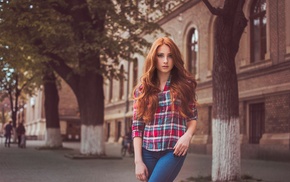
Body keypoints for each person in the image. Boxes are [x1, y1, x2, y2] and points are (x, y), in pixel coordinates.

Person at [132, 37, 198, 182]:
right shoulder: (142, 90)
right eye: (160, 55)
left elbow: (192, 118)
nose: (165, 61)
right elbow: (137, 127)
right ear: (153, 58)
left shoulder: (185, 86)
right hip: (147, 151)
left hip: (173, 150)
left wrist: (187, 136)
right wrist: (138, 161)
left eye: (170, 56)